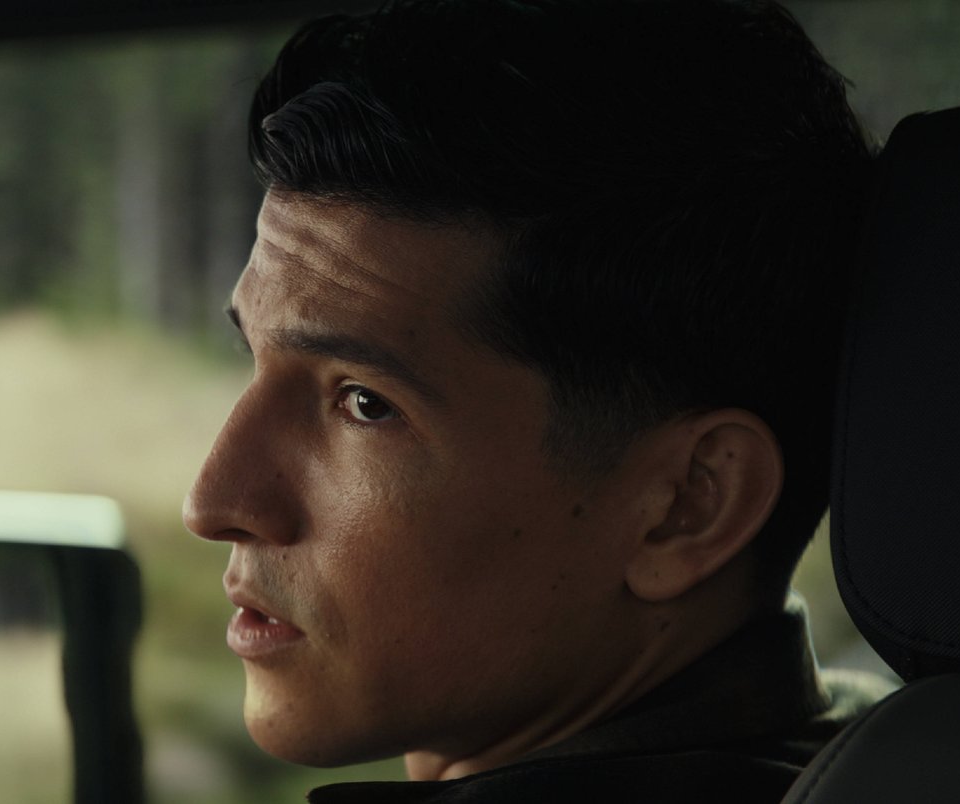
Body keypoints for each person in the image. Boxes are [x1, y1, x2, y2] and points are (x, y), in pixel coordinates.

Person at [180, 1, 893, 801]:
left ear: (687, 504)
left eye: (365, 404)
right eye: (253, 355)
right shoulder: (883, 747)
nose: (212, 503)